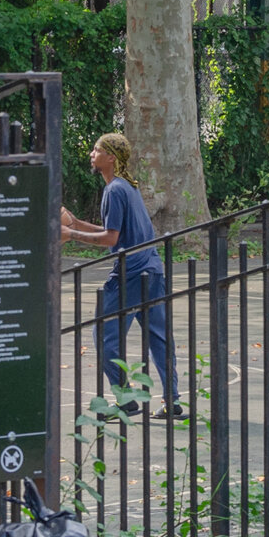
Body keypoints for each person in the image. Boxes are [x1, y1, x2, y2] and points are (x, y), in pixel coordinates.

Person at [61, 134, 186, 419]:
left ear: (112, 158)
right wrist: (77, 223)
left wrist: (70, 234)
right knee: (159, 337)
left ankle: (126, 400)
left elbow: (110, 239)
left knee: (104, 335)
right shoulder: (126, 187)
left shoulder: (114, 190)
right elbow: (115, 232)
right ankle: (172, 402)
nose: (92, 153)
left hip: (129, 273)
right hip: (151, 269)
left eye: (98, 149)